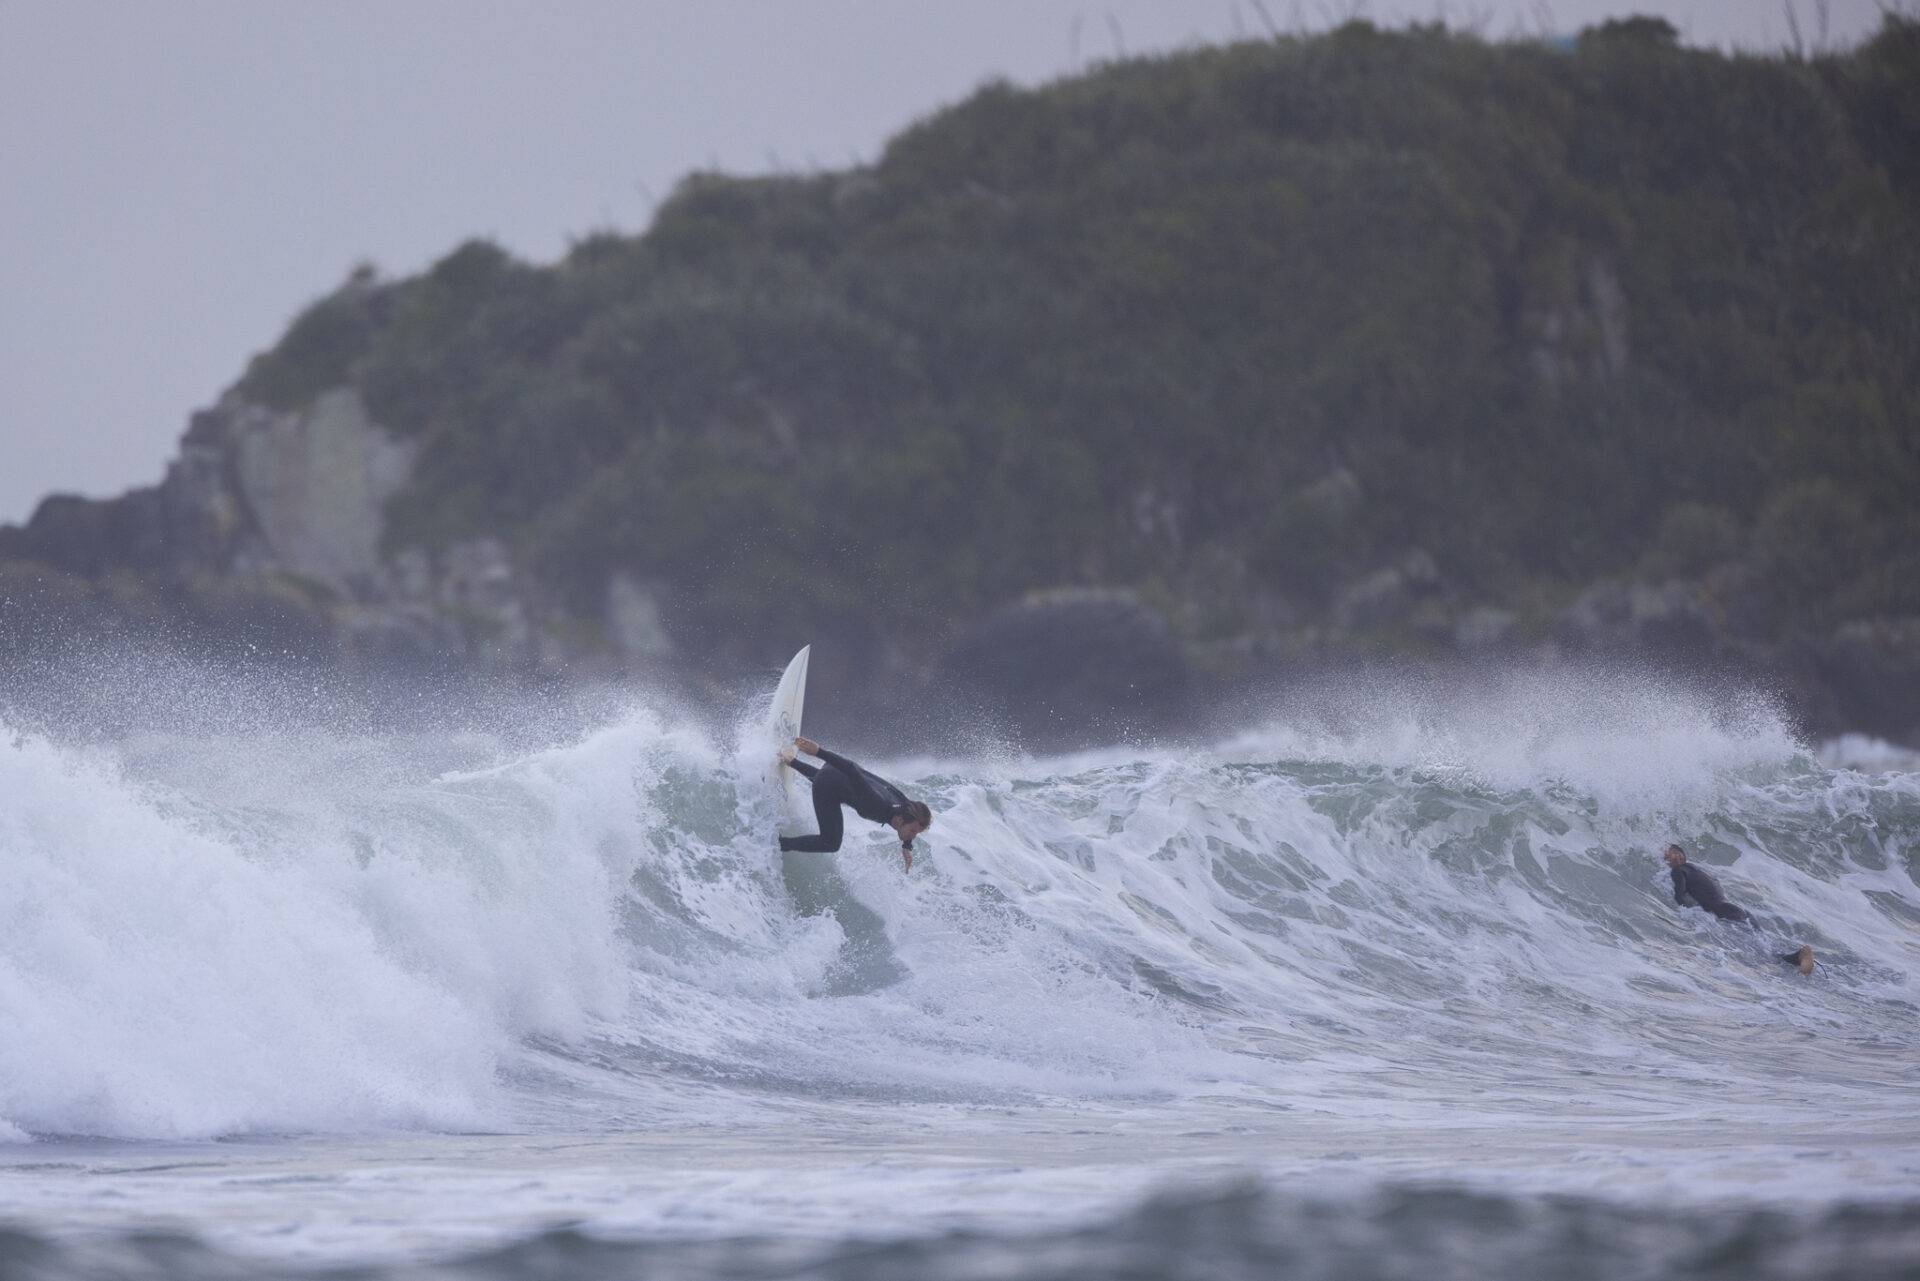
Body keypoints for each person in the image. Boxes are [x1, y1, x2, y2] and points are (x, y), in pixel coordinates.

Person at [778, 736, 931, 872]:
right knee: (830, 843)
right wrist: (818, 752)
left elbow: (911, 820)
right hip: (831, 780)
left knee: (839, 786)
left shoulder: (904, 805)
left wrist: (907, 846)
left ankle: (791, 760)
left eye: (915, 833)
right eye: (912, 831)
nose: (913, 836)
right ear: (899, 820)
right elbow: (851, 769)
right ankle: (780, 844)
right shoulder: (878, 805)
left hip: (835, 776)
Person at [1663, 844, 1814, 975]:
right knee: (1766, 949)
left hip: (1726, 912)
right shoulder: (1699, 871)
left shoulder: (1679, 870)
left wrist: (1682, 916)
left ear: (1680, 855)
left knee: (1763, 954)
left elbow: (1680, 896)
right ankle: (1797, 957)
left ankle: (1798, 956)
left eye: (1668, 853)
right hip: (1738, 911)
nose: (1665, 857)